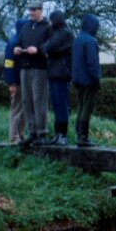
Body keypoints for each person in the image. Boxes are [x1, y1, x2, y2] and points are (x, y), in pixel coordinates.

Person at [14, 0, 52, 145]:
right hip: (24, 67)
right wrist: (17, 48)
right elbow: (19, 41)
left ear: (41, 10)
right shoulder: (25, 26)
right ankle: (33, 132)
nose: (31, 12)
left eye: (34, 10)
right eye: (30, 10)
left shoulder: (48, 27)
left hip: (39, 68)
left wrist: (38, 49)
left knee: (39, 100)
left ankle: (42, 132)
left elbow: (51, 45)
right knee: (26, 101)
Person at [43, 10, 74, 145]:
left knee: (61, 104)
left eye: (51, 20)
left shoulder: (65, 33)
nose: (49, 23)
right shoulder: (57, 33)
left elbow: (49, 46)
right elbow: (44, 47)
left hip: (62, 73)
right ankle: (57, 133)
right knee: (56, 104)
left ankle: (63, 134)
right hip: (54, 72)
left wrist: (49, 51)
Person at [71, 14, 102, 147]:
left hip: (77, 79)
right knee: (87, 108)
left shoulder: (77, 39)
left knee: (80, 106)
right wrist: (96, 79)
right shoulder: (90, 41)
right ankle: (83, 136)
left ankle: (79, 133)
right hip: (88, 80)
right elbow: (92, 63)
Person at [3, 18, 29, 144]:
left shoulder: (21, 42)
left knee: (23, 109)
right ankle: (14, 137)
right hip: (17, 82)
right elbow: (9, 64)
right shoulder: (13, 43)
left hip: (23, 82)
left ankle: (21, 134)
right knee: (16, 109)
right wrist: (11, 84)